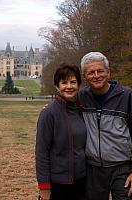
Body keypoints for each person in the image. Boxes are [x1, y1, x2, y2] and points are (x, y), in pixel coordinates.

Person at [78, 52, 132, 200]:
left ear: (109, 72)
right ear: (84, 77)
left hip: (123, 168)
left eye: (100, 71)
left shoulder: (127, 96)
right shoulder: (81, 97)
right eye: (91, 72)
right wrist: (49, 110)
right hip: (93, 170)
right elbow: (62, 106)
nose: (96, 75)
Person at [36, 64, 87, 200]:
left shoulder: (82, 109)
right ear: (57, 87)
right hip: (58, 184)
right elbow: (42, 153)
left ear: (79, 85)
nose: (69, 86)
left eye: (73, 82)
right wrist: (44, 187)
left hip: (82, 182)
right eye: (64, 82)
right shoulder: (49, 113)